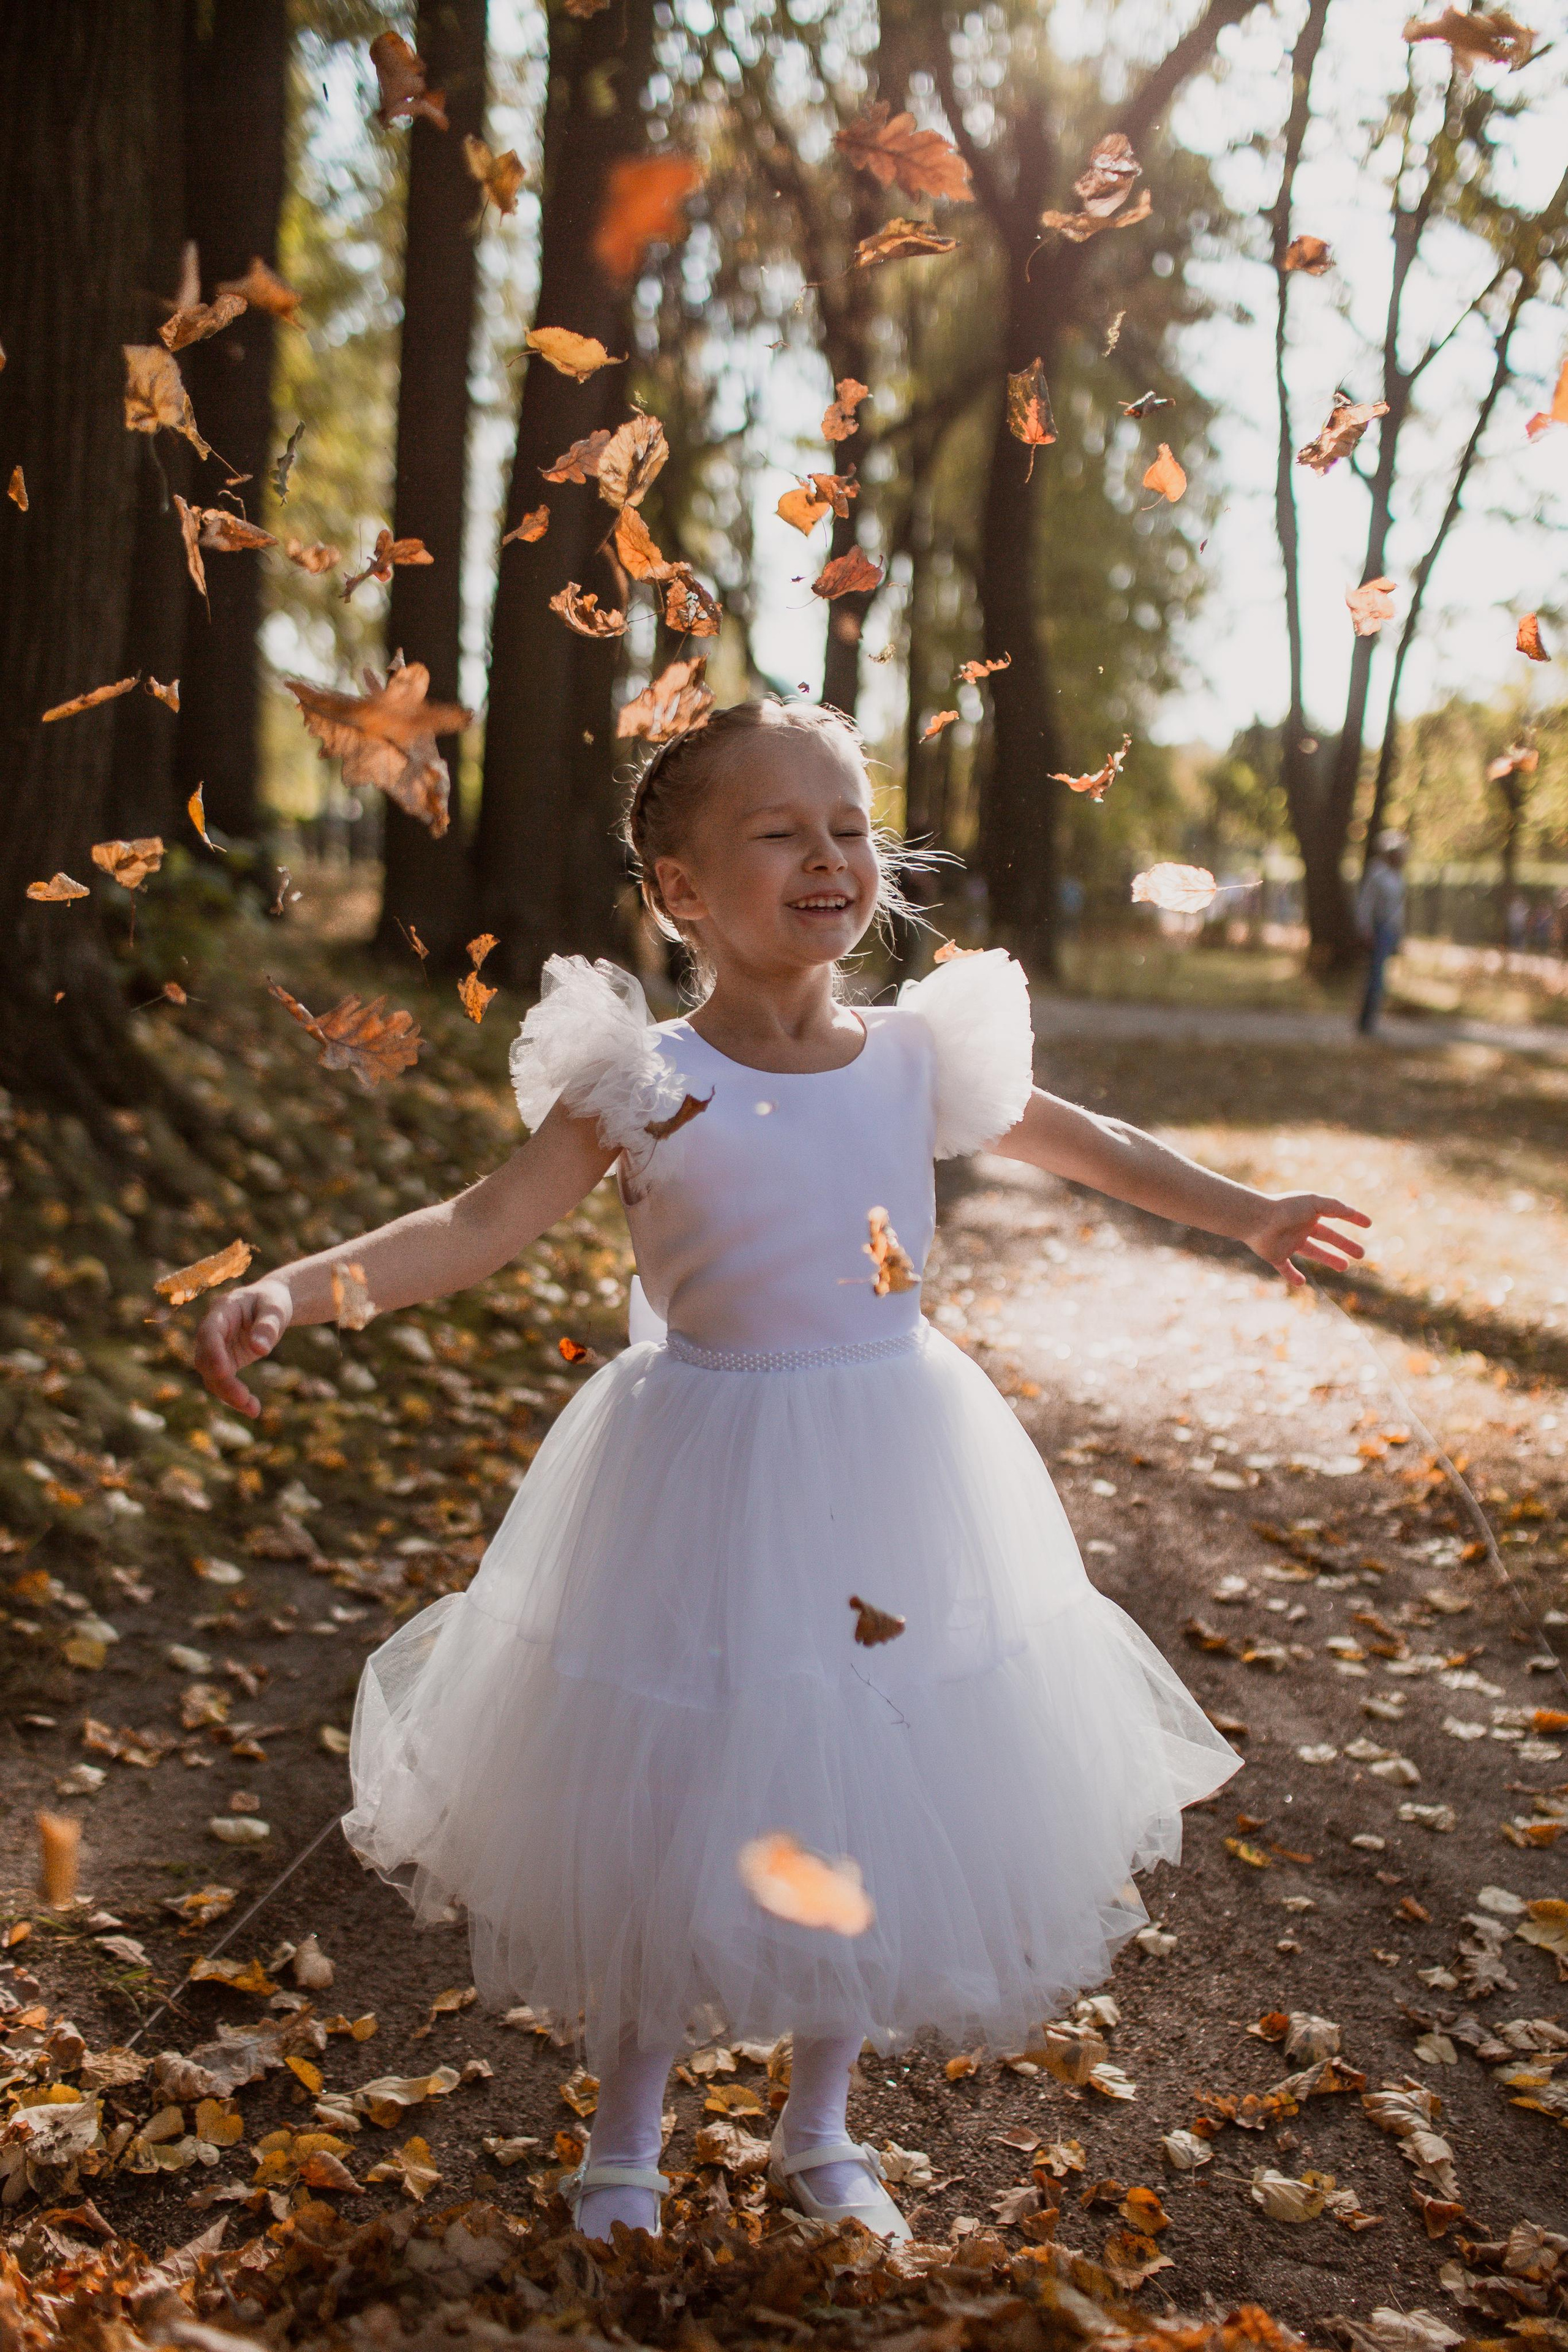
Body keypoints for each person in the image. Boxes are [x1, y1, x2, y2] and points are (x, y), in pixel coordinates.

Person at [194, 699, 1369, 2248]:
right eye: (777, 832)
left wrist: (1241, 1210)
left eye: (846, 829)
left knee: (870, 1769)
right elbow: (473, 1226)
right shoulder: (638, 1077)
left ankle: (817, 2123)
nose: (826, 858)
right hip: (699, 1465)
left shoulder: (913, 1057)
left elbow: (1093, 1143)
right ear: (680, 889)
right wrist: (303, 1282)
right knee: (674, 1786)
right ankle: (627, 2130)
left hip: (893, 1455)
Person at [1355, 829, 1407, 1036]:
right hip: (1379, 928)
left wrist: (1400, 935)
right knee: (1375, 977)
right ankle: (1366, 1023)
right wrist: (1365, 929)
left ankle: (1371, 1021)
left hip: (1391, 931)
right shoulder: (1377, 874)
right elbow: (1366, 904)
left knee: (1381, 977)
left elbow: (1400, 908)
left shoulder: (1398, 877)